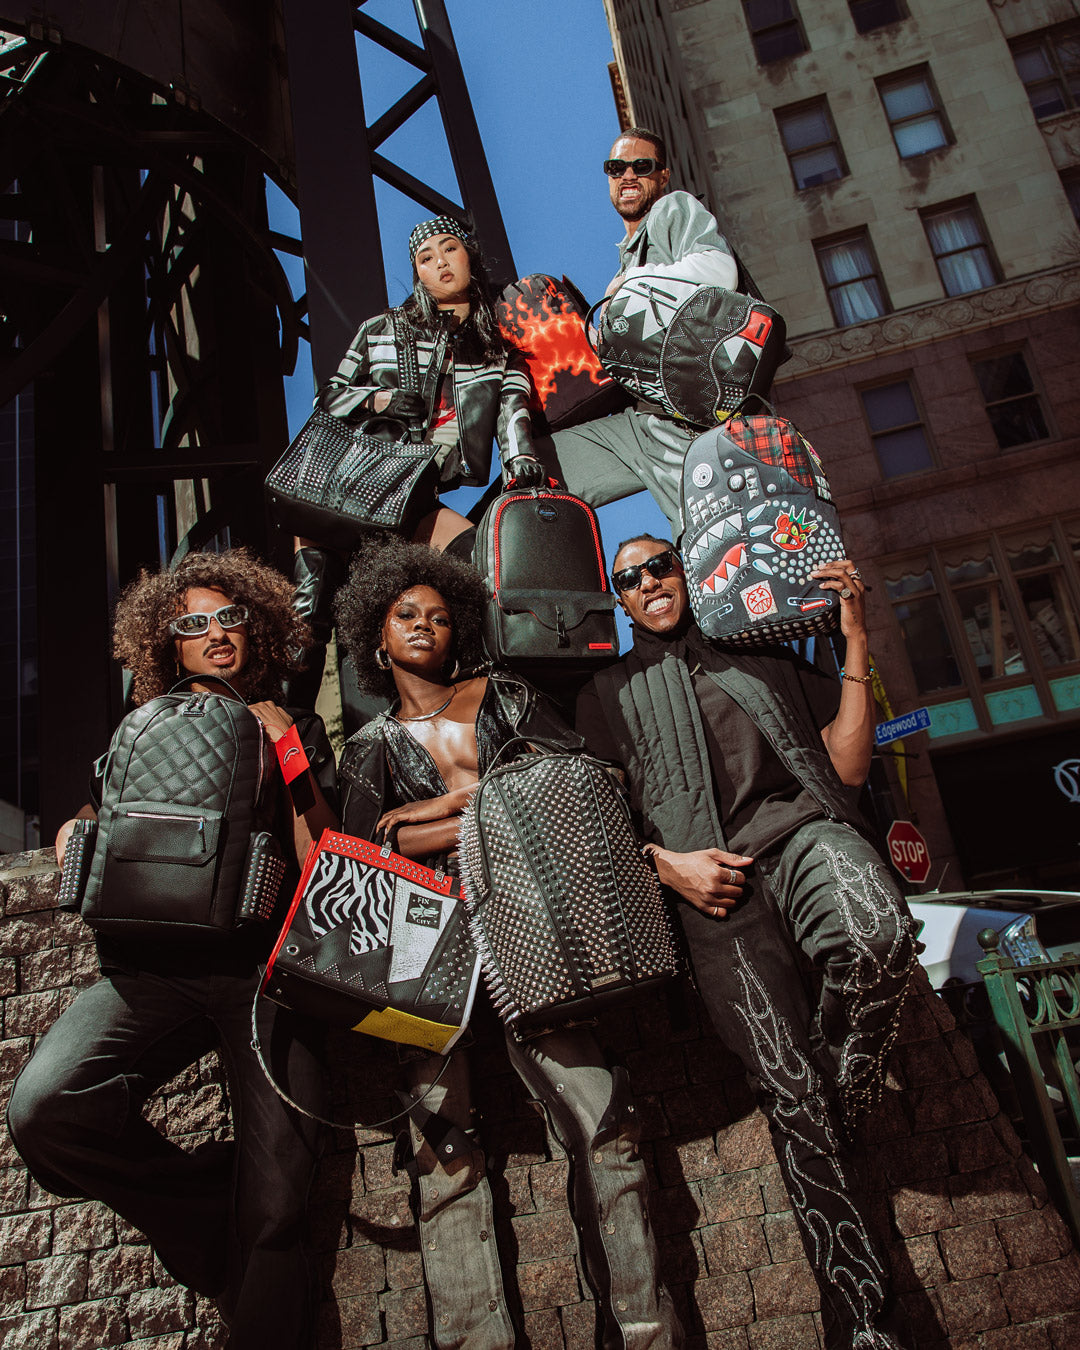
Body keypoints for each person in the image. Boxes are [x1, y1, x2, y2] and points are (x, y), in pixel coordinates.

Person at [334, 537, 682, 1350]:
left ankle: (645, 1335)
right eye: (404, 614)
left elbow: (582, 784)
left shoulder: (508, 696)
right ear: (376, 637)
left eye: (438, 615)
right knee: (442, 1158)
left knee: (608, 1123)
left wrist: (433, 813)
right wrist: (484, 809)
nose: (424, 626)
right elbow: (368, 856)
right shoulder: (367, 748)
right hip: (430, 955)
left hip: (540, 929)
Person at [575, 535, 919, 1350]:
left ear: (686, 573)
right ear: (619, 599)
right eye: (629, 578)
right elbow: (595, 826)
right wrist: (668, 866)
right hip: (712, 897)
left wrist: (855, 639)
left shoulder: (759, 653)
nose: (649, 582)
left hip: (805, 839)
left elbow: (846, 770)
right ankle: (864, 1325)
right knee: (789, 1091)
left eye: (661, 565)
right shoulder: (603, 694)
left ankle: (843, 1083)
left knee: (878, 934)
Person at [7, 549, 339, 1350]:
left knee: (278, 1209)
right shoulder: (141, 726)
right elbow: (105, 815)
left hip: (264, 976)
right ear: (168, 642)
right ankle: (206, 1200)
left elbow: (324, 860)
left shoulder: (291, 722)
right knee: (43, 1109)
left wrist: (289, 751)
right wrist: (75, 826)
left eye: (231, 617)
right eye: (194, 624)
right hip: (150, 973)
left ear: (257, 629)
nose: (216, 633)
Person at [288, 216, 540, 710]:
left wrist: (522, 462)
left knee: (485, 570)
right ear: (417, 273)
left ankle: (486, 708)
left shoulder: (498, 354)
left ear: (470, 257)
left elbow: (514, 415)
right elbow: (329, 397)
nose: (440, 262)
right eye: (426, 258)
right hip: (348, 484)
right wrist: (379, 400)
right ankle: (286, 721)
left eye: (450, 249)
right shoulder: (382, 328)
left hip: (413, 495)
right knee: (307, 611)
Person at [516, 127, 745, 540]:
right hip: (643, 423)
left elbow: (719, 269)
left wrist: (635, 282)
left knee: (720, 538)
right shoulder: (628, 257)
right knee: (530, 467)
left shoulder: (673, 209)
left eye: (642, 166)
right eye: (616, 167)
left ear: (663, 175)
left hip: (695, 419)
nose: (628, 175)